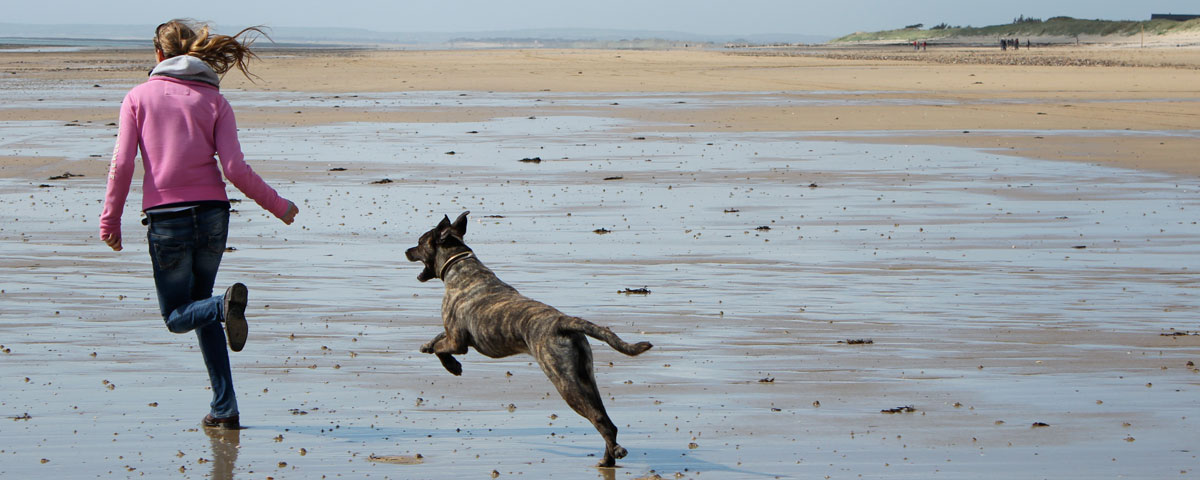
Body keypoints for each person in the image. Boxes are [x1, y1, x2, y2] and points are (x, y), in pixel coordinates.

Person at [99, 19, 299, 430]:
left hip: (168, 219)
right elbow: (234, 169)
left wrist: (111, 219)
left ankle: (223, 307)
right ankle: (225, 407)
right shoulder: (215, 101)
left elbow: (121, 164)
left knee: (177, 315)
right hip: (213, 216)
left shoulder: (137, 97)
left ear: (158, 55)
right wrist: (277, 205)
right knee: (203, 308)